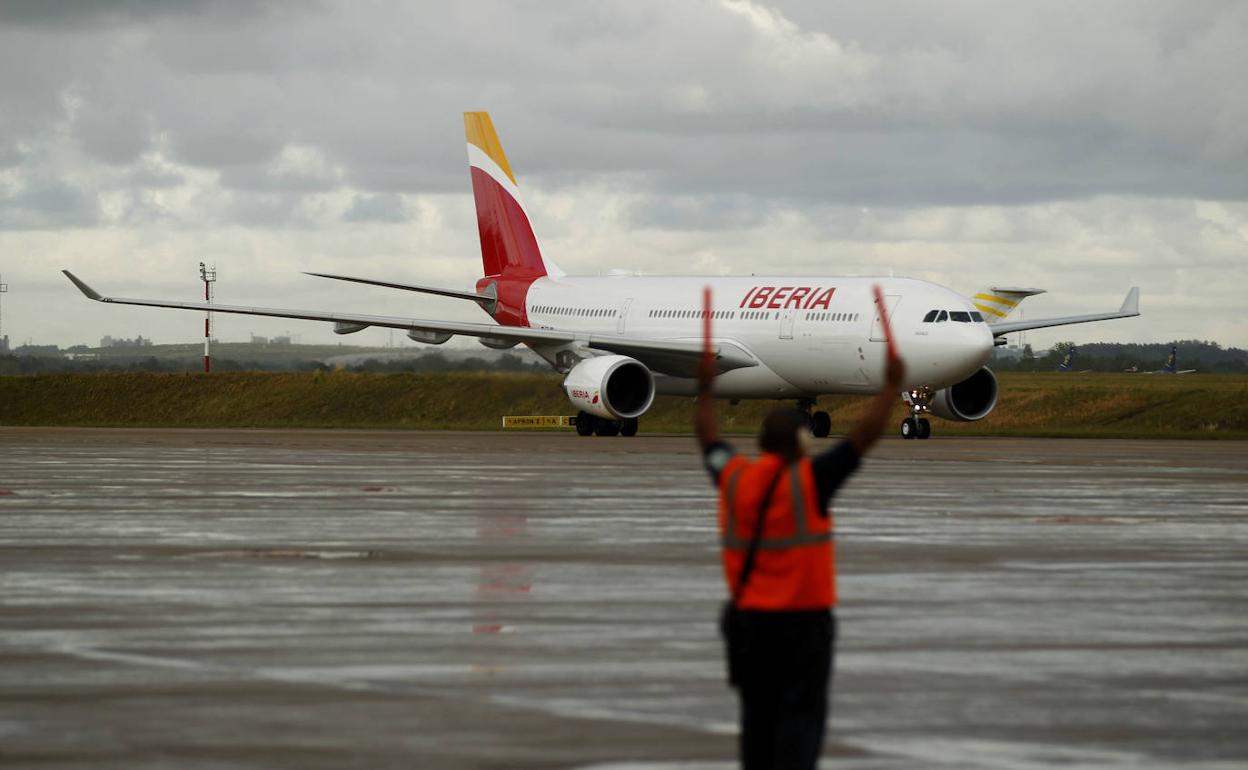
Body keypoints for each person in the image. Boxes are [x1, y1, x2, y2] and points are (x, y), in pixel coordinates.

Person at [697, 348, 905, 770]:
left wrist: (704, 389)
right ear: (802, 442)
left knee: (757, 719)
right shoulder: (812, 480)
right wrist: (889, 389)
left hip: (750, 626)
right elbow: (861, 439)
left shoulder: (733, 477)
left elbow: (708, 440)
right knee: (801, 720)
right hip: (803, 627)